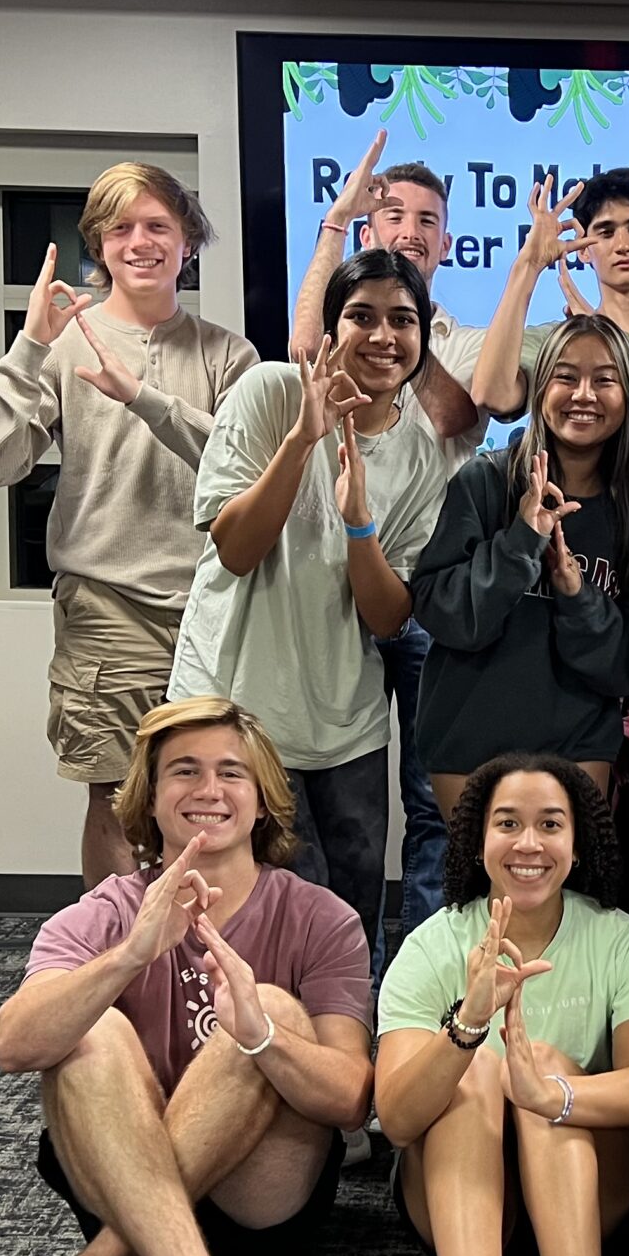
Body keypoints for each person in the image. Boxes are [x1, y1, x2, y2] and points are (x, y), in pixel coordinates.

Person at [0, 696, 373, 1256]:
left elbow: (349, 1097)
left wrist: (262, 1034)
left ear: (263, 799)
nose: (208, 790)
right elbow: (13, 1045)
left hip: (258, 1203)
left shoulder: (321, 917)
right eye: (184, 771)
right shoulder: (104, 913)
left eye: (230, 773)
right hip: (113, 1182)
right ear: (150, 798)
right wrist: (128, 958)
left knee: (267, 1008)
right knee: (88, 1029)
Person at [0, 161, 255, 886]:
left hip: (213, 613)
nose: (140, 242)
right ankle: (120, 968)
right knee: (119, 797)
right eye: (121, 228)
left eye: (158, 225)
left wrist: (141, 395)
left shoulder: (228, 353)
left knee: (213, 799)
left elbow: (244, 472)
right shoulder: (65, 345)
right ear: (99, 244)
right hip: (106, 607)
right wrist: (29, 345)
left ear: (188, 240)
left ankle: (200, 963)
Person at [373, 756, 629, 1256]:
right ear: (478, 841)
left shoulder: (620, 936)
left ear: (578, 843)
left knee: (549, 1070)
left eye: (549, 824)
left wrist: (551, 1094)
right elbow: (396, 1119)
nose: (528, 843)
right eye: (508, 823)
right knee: (475, 1067)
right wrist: (470, 1024)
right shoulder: (435, 942)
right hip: (461, 1198)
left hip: (585, 1195)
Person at [170, 249, 449, 947]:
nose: (383, 336)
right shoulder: (269, 392)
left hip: (347, 724)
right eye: (362, 316)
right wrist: (303, 439)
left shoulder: (422, 450)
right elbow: (235, 548)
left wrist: (360, 524)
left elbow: (388, 616)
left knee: (349, 918)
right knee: (248, 915)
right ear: (330, 329)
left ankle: (343, 1050)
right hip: (237, 710)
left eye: (402, 320)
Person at [290, 134, 489, 961]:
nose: (411, 228)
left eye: (429, 221)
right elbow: (308, 356)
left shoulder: (461, 339)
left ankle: (416, 976)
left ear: (445, 241)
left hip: (425, 600)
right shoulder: (342, 320)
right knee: (344, 806)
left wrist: (405, 331)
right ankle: (343, 976)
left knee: (431, 800)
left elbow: (460, 420)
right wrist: (338, 238)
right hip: (334, 597)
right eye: (394, 213)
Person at [410, 315, 629, 815]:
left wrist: (577, 596)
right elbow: (442, 612)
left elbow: (628, 666)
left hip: (579, 744)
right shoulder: (485, 481)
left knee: (571, 892)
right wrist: (520, 543)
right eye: (566, 377)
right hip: (467, 741)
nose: (583, 394)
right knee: (477, 894)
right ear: (540, 388)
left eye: (604, 380)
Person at [471, 167, 629, 502]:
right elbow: (491, 395)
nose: (623, 244)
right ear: (584, 249)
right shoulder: (558, 342)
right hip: (573, 539)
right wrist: (528, 265)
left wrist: (612, 341)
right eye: (605, 232)